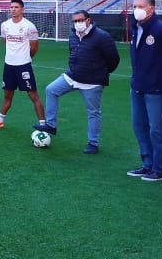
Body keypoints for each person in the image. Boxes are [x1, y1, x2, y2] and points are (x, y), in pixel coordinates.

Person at [34, 9, 119, 153]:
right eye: (75, 21)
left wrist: (99, 73)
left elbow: (114, 59)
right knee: (51, 90)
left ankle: (93, 143)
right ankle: (51, 125)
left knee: (93, 112)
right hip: (73, 76)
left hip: (92, 82)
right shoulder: (73, 35)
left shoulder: (102, 36)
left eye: (80, 20)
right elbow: (73, 52)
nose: (78, 23)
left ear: (88, 20)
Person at [124, 0, 162, 181]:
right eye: (134, 6)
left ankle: (159, 169)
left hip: (156, 87)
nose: (136, 10)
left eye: (140, 6)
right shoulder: (136, 28)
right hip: (138, 86)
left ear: (151, 8)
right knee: (139, 126)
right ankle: (147, 164)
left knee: (156, 129)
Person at [0, 0, 43, 130]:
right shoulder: (5, 25)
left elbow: (34, 47)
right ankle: (0, 121)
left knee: (33, 95)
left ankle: (43, 124)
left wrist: (24, 58)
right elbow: (5, 42)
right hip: (9, 66)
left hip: (24, 66)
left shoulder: (29, 26)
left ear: (22, 9)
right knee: (7, 95)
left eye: (16, 7)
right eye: (11, 7)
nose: (13, 9)